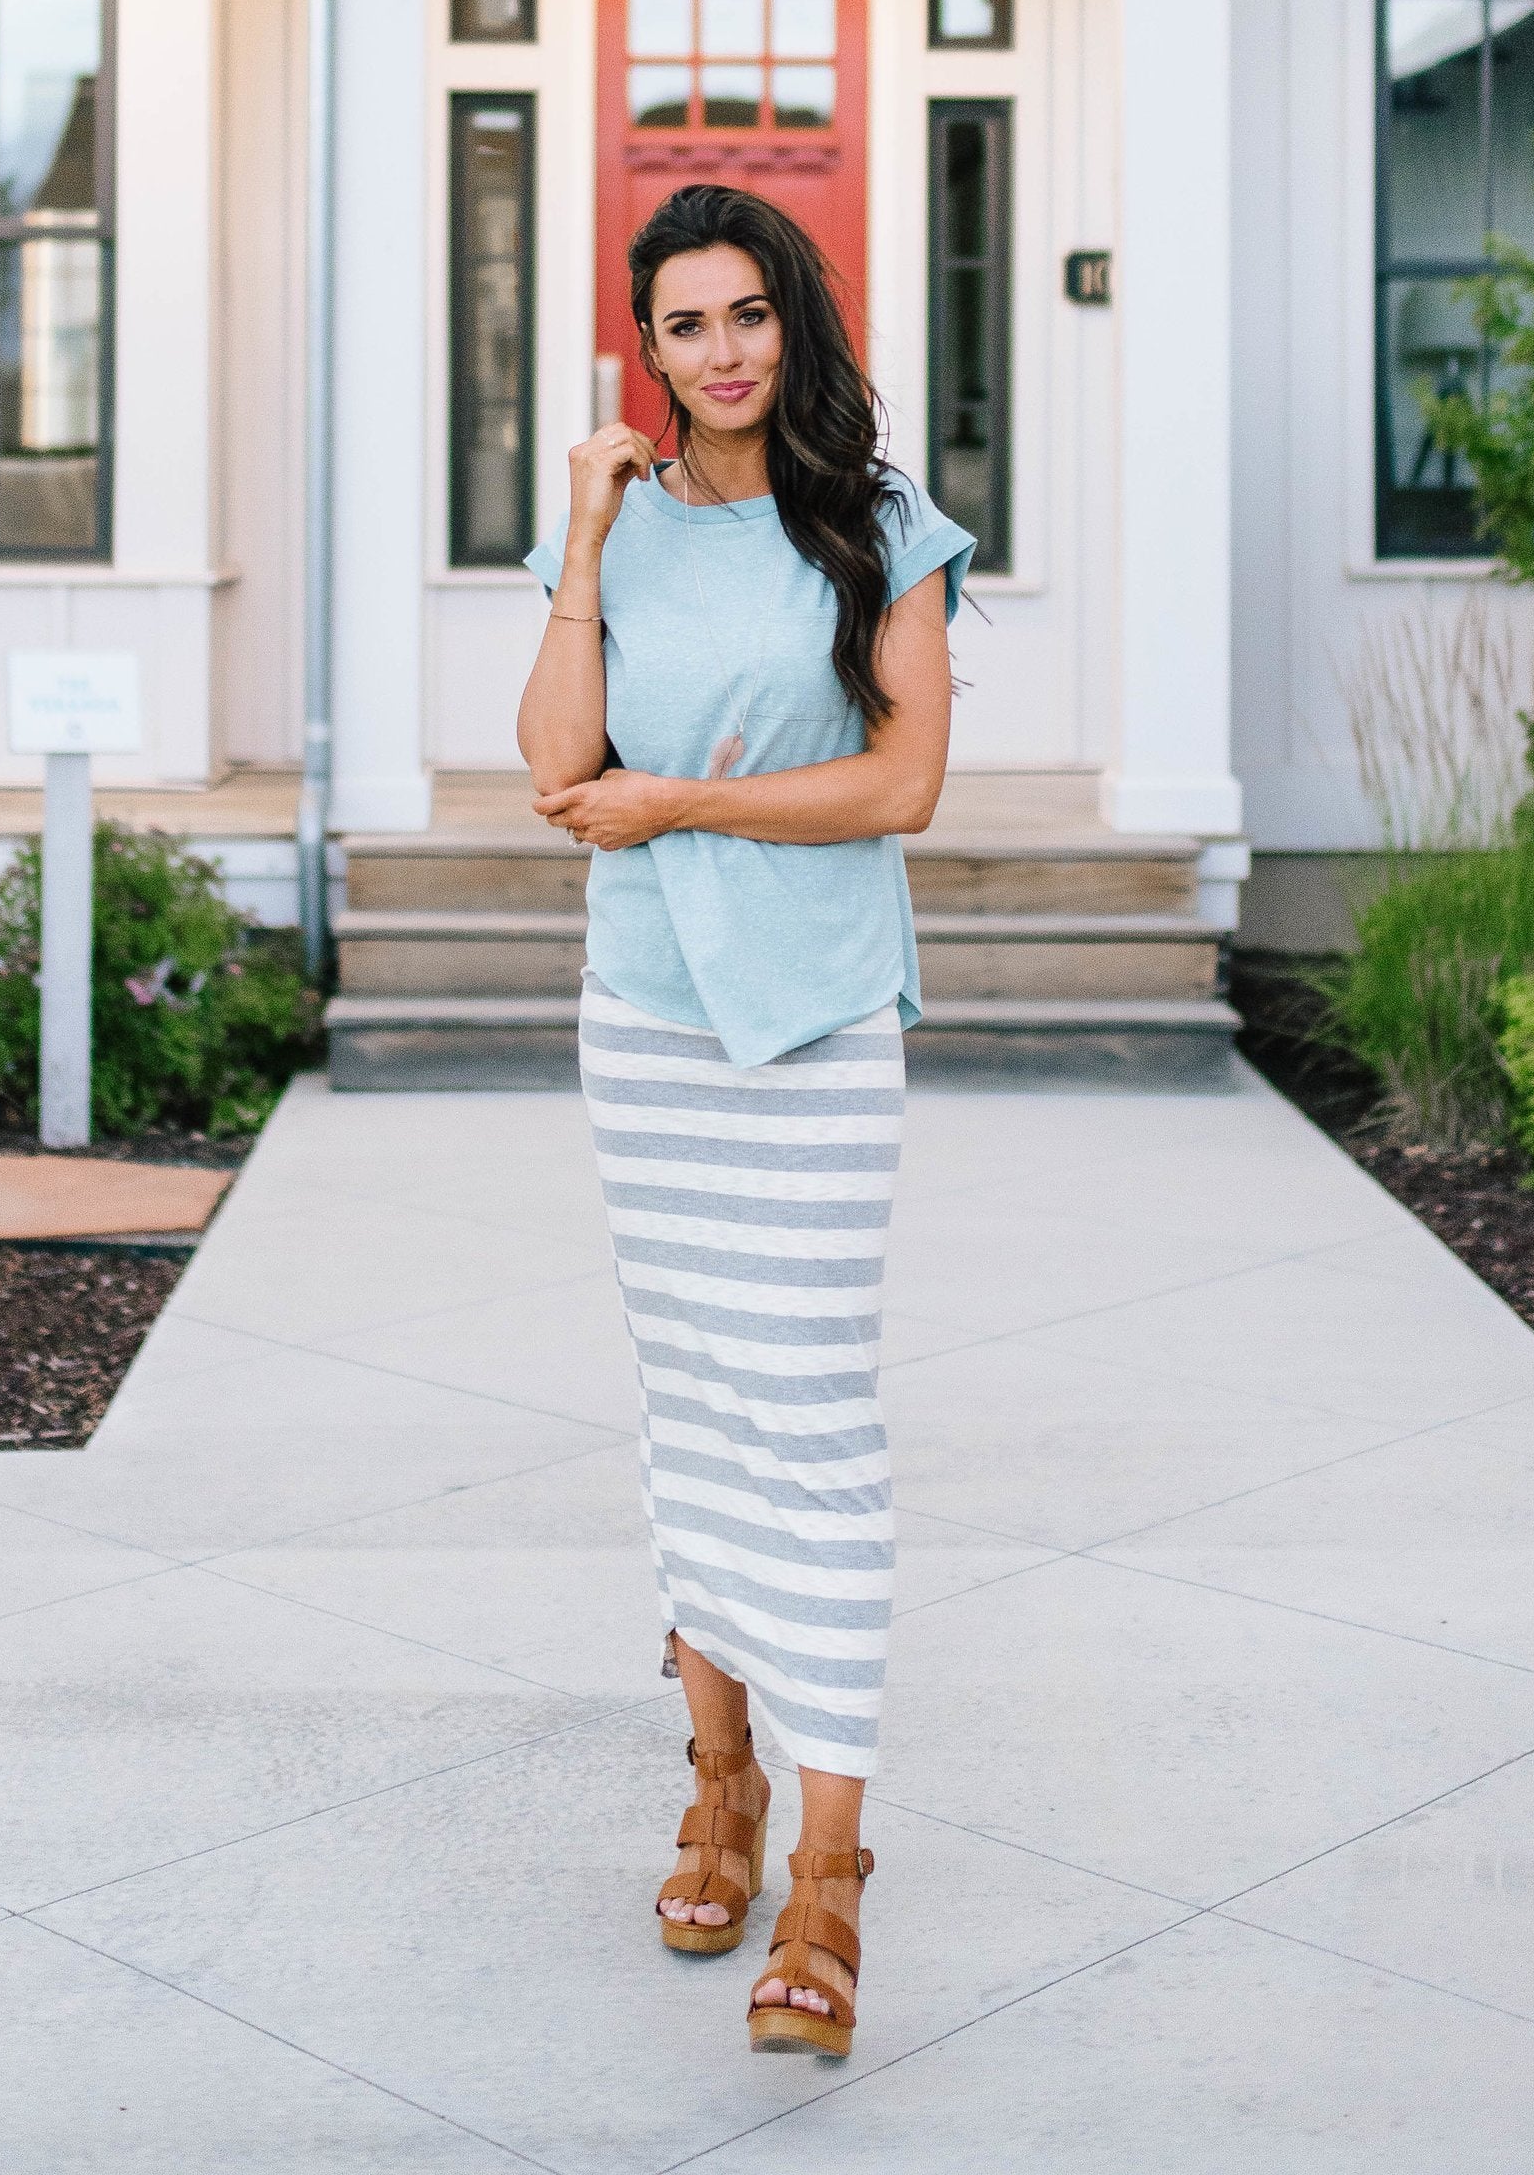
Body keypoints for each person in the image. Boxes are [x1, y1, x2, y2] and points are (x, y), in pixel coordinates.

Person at [517, 181, 974, 2064]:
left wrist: (687, 806)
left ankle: (831, 1872)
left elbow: (906, 782)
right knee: (694, 1400)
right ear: (652, 350)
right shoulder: (620, 535)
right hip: (646, 1024)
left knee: (813, 1416)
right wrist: (577, 534)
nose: (721, 352)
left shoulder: (882, 528)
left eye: (748, 314)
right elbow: (557, 767)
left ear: (797, 320)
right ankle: (718, 1790)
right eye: (684, 325)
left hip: (812, 1024)